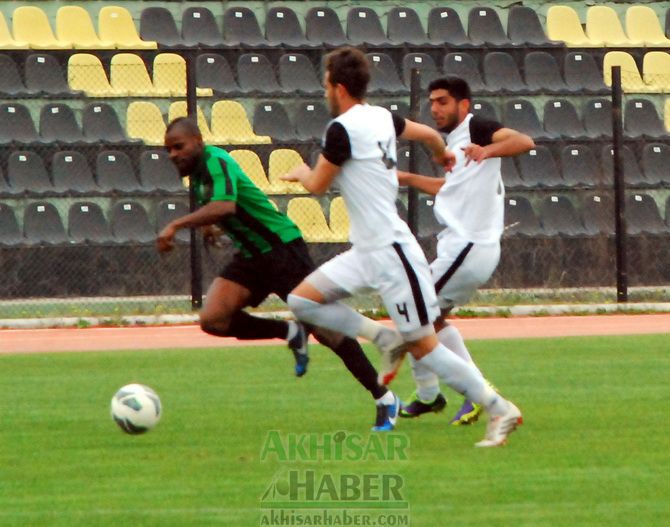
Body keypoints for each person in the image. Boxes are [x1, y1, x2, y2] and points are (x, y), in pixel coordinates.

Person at [283, 47, 522, 447]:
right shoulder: (381, 117)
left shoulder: (340, 129)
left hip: (392, 254)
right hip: (366, 251)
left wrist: (301, 172)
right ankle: (383, 339)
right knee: (302, 301)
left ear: (337, 86)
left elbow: (318, 185)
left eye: (326, 83)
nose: (325, 89)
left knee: (426, 346)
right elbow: (428, 134)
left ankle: (499, 407)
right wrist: (441, 154)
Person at [157, 117, 399, 431]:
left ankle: (384, 397)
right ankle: (289, 333)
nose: (173, 154)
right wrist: (206, 224)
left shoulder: (216, 160)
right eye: (168, 150)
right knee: (213, 318)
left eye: (179, 146)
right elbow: (223, 206)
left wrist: (177, 224)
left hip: (281, 250)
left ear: (199, 141)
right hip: (252, 257)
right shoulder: (199, 176)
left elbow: (225, 206)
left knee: (327, 330)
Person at [396, 77, 535, 426]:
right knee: (429, 319)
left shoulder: (478, 128)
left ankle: (471, 395)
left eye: (443, 101)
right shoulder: (454, 142)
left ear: (464, 105)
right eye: (432, 102)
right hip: (463, 247)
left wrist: (486, 149)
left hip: (470, 246)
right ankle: (433, 395)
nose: (435, 108)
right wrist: (406, 178)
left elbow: (524, 141)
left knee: (413, 315)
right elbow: (449, 187)